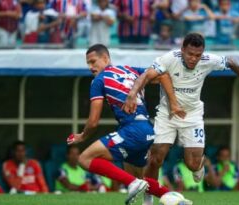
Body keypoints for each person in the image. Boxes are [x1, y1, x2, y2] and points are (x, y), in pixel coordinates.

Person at [123, 32, 239, 204]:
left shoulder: (208, 60)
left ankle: (199, 165)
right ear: (182, 49)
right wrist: (132, 94)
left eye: (197, 55)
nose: (193, 59)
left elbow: (232, 62)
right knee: (155, 158)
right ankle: (148, 199)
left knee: (192, 163)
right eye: (190, 54)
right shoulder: (169, 58)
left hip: (193, 116)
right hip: (166, 114)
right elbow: (147, 75)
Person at [67, 44, 191, 205]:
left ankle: (132, 184)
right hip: (147, 130)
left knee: (84, 159)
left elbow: (93, 121)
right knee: (141, 179)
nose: (90, 67)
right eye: (88, 64)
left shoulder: (99, 80)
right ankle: (175, 199)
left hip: (133, 130)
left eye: (93, 61)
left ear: (105, 58)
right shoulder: (130, 70)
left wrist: (82, 136)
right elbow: (163, 75)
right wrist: (174, 103)